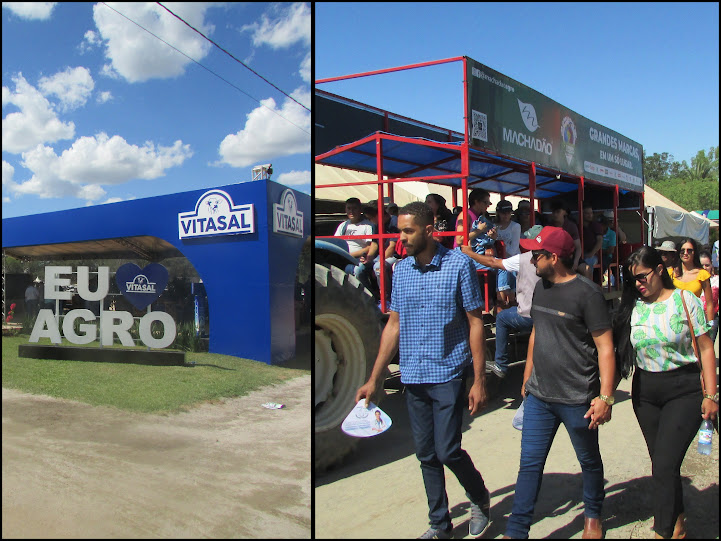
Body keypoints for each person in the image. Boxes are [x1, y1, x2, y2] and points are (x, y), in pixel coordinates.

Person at [356, 201, 492, 539]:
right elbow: (394, 326)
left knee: (447, 450)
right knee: (426, 454)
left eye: (408, 231)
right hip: (413, 376)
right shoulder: (401, 270)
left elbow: (476, 323)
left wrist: (479, 379)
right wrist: (375, 378)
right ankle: (439, 525)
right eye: (400, 230)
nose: (401, 237)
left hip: (448, 372)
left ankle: (480, 498)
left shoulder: (459, 265)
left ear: (429, 230)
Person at [502, 226, 616, 540]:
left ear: (553, 257)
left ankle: (593, 515)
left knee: (588, 460)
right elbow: (537, 333)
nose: (530, 259)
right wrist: (527, 376)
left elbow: (605, 347)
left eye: (536, 254)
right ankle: (517, 530)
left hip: (577, 398)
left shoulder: (587, 293)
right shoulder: (542, 287)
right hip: (540, 396)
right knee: (529, 465)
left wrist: (605, 397)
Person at [611, 246, 718, 539]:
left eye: (642, 277)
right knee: (662, 465)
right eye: (633, 280)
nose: (638, 284)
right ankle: (679, 521)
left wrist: (710, 394)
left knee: (666, 464)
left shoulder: (686, 300)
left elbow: (707, 348)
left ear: (660, 270)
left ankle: (663, 530)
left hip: (683, 391)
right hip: (645, 394)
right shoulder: (633, 306)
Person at [461, 224, 543, 379]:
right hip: (547, 313)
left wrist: (470, 254)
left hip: (529, 315)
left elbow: (493, 263)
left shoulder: (524, 259)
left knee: (502, 318)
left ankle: (501, 363)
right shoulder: (554, 259)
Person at [669, 238, 714, 325]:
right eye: (682, 251)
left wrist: (710, 324)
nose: (685, 253)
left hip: (695, 320)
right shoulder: (671, 273)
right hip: (675, 319)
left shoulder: (702, 274)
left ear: (694, 252)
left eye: (689, 250)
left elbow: (709, 303)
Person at [333, 197, 374, 275]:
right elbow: (336, 242)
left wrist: (350, 255)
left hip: (359, 260)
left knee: (356, 270)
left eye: (354, 208)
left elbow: (370, 247)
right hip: (342, 258)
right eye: (349, 208)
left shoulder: (367, 225)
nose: (351, 211)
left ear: (360, 209)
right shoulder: (343, 225)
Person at [494, 199, 521, 310]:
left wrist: (498, 242)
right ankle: (503, 301)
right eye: (503, 213)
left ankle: (508, 300)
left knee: (507, 268)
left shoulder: (515, 226)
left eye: (508, 213)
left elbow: (514, 249)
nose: (506, 215)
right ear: (498, 213)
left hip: (512, 258)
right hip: (497, 259)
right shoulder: (494, 226)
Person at [548, 200, 582, 272]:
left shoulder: (571, 226)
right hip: (553, 258)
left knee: (586, 269)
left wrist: (575, 262)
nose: (555, 214)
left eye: (558, 212)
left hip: (570, 257)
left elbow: (578, 247)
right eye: (553, 212)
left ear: (565, 212)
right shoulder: (548, 226)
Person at [578, 202, 604, 281]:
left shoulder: (596, 225)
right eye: (587, 213)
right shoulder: (577, 226)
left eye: (591, 213)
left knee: (587, 264)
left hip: (593, 255)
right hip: (579, 254)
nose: (590, 215)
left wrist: (591, 253)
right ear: (581, 214)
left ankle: (589, 286)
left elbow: (599, 241)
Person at [699, 249, 719, 344]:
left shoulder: (717, 280)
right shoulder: (694, 281)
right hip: (697, 319)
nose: (704, 268)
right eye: (702, 265)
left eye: (707, 265)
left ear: (711, 265)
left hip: (712, 319)